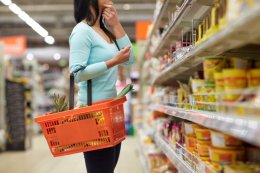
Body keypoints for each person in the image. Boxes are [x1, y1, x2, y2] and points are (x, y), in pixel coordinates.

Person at [69, 0, 134, 172]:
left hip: (111, 111)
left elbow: (130, 59)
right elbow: (77, 74)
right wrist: (113, 61)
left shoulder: (106, 30)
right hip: (93, 114)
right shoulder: (81, 31)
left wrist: (116, 25)